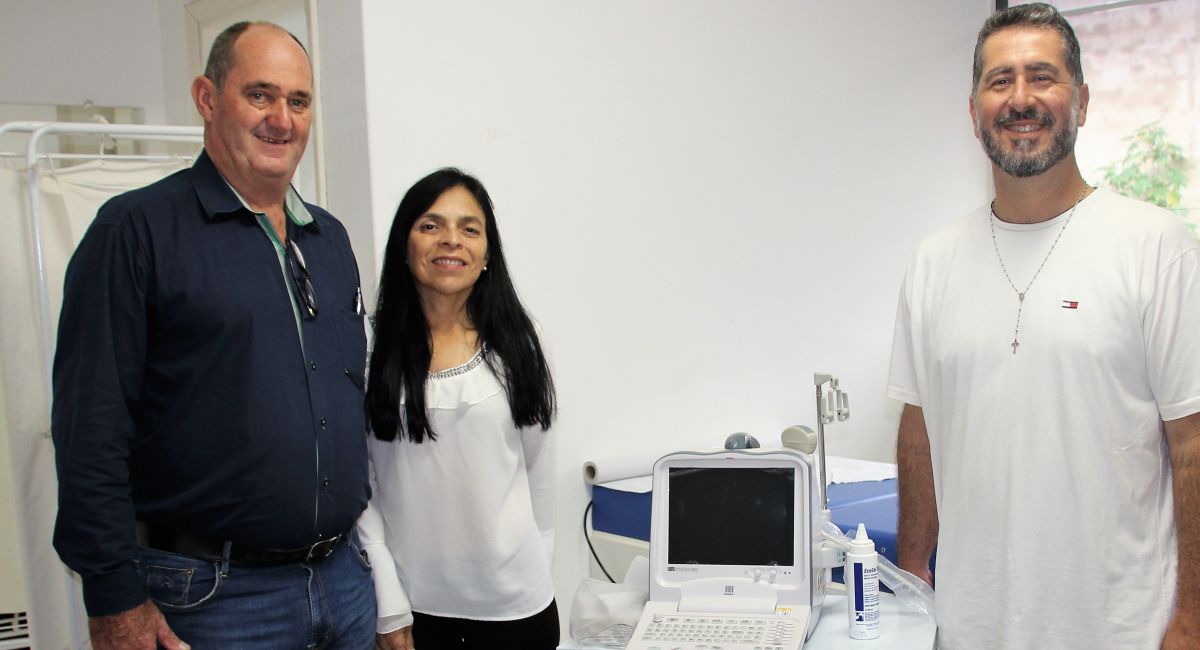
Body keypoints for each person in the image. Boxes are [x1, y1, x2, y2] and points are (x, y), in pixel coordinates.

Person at [51, 21, 375, 649]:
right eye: (259, 95)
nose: (281, 119)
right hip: (211, 600)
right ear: (206, 98)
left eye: (298, 100)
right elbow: (91, 428)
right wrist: (114, 597)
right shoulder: (135, 232)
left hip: (343, 583)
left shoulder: (328, 239)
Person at [889, 3, 1199, 648]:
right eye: (1000, 81)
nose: (1020, 98)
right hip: (972, 627)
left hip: (1121, 628)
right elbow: (919, 429)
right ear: (974, 111)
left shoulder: (1157, 247)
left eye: (1042, 76)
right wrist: (913, 575)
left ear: (1081, 100)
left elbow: (1192, 443)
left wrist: (1192, 618)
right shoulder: (933, 262)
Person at [357, 168, 558, 650]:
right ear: (404, 245)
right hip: (412, 608)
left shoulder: (519, 343)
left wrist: (538, 575)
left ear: (487, 255)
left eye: (470, 229)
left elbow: (540, 477)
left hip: (516, 608)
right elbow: (362, 487)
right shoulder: (365, 345)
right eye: (430, 225)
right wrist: (388, 602)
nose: (451, 240)